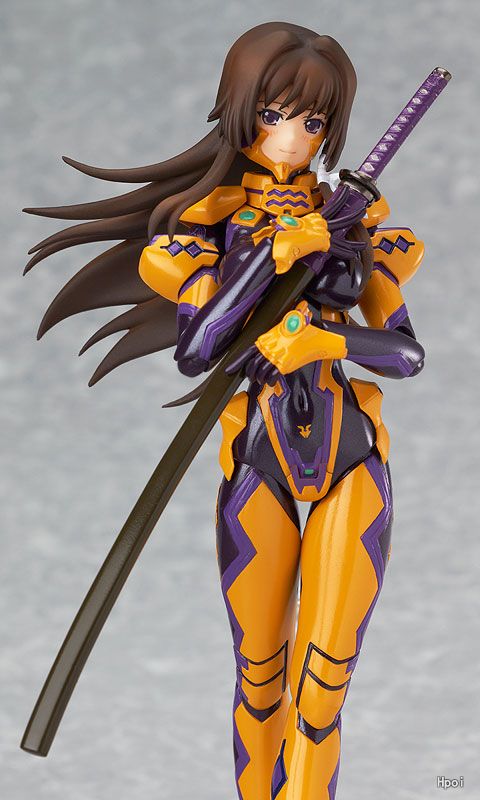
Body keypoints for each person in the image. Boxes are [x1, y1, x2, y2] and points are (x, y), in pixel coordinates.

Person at [25, 21, 425, 800]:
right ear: (242, 112)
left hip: (352, 464)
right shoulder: (206, 230)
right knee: (261, 678)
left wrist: (327, 342)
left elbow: (405, 354)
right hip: (258, 464)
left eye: (313, 122)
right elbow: (199, 347)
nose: (293, 138)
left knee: (324, 687)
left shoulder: (355, 229)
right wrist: (272, 258)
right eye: (275, 116)